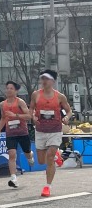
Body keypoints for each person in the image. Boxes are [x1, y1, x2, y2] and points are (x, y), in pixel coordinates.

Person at [29, 69, 72, 197]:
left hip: (55, 130)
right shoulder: (36, 95)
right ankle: (56, 156)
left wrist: (66, 118)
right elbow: (31, 108)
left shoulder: (59, 96)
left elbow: (69, 111)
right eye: (42, 78)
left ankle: (47, 187)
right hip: (41, 130)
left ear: (52, 81)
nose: (44, 81)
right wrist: (33, 117)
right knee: (41, 161)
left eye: (46, 79)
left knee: (49, 156)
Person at [0, 81, 34, 188]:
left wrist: (15, 115)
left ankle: (30, 155)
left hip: (22, 132)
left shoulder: (20, 102)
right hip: (10, 133)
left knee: (27, 153)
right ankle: (13, 178)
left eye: (11, 88)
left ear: (16, 91)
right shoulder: (3, 104)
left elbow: (28, 116)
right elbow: (3, 118)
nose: (8, 90)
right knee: (12, 154)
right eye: (7, 88)